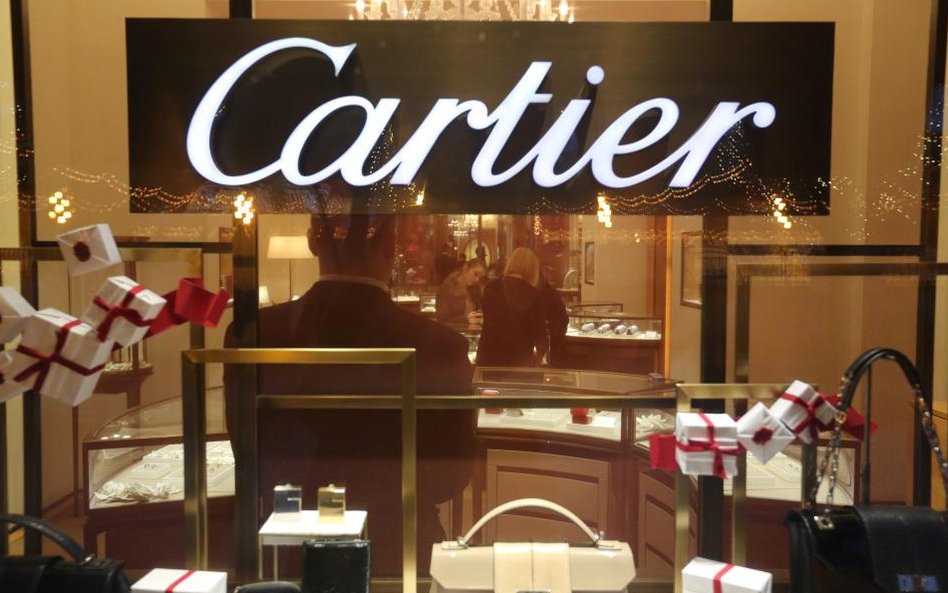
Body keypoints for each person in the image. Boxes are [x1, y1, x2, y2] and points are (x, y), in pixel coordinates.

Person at [223, 205, 475, 578]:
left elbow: (249, 454)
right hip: (399, 542)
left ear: (312, 243)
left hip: (290, 545)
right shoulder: (441, 344)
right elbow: (452, 474)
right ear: (391, 247)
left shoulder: (255, 333)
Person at [476, 247, 548, 367]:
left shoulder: (491, 287)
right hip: (520, 362)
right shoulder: (534, 295)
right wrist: (537, 359)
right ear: (532, 270)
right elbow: (540, 337)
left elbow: (488, 321)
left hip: (489, 358)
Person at [435, 259, 486, 325]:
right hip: (453, 330)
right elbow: (442, 319)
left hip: (473, 329)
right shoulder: (447, 289)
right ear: (465, 269)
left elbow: (479, 310)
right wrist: (465, 320)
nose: (477, 280)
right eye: (475, 274)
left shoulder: (475, 289)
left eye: (480, 277)